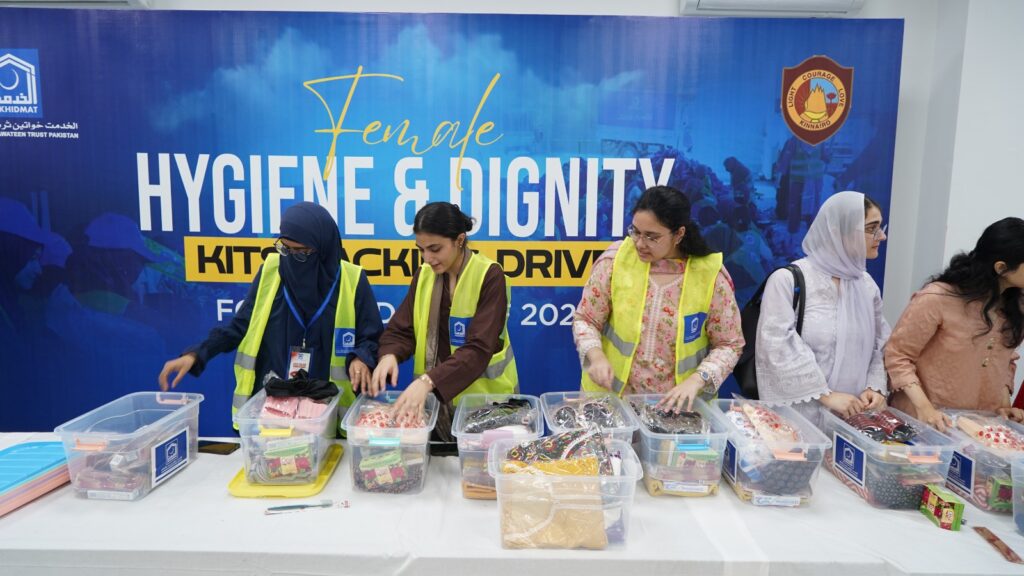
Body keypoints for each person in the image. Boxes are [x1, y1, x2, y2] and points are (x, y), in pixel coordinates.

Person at [158, 202, 383, 427]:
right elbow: (239, 326)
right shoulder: (271, 271)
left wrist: (361, 357)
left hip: (326, 412)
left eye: (301, 253)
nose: (291, 258)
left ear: (323, 250)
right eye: (285, 248)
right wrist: (197, 354)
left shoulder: (352, 280)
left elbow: (372, 337)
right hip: (273, 411)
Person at [574, 185, 744, 413]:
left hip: (679, 411)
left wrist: (698, 380)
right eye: (635, 232)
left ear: (679, 234)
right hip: (612, 405)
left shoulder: (710, 277)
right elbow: (586, 319)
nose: (639, 243)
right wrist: (595, 357)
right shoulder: (616, 262)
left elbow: (730, 344)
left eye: (651, 237)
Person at [368, 202, 517, 439]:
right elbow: (402, 329)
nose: (427, 258)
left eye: (435, 249)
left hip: (487, 409)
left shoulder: (490, 275)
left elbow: (479, 348)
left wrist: (428, 381)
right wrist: (389, 355)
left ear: (459, 240)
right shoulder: (424, 275)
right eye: (421, 250)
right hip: (437, 407)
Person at [755, 191, 890, 423]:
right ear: (839, 231)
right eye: (871, 228)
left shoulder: (866, 286)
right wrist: (826, 395)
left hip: (853, 420)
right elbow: (775, 346)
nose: (882, 236)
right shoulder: (789, 280)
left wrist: (874, 387)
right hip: (800, 419)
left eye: (880, 227)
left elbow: (880, 342)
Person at [885, 217, 1024, 430]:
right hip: (926, 426)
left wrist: (1004, 406)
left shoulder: (1016, 306)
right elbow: (897, 356)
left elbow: (1005, 360)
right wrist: (925, 408)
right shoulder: (937, 298)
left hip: (980, 429)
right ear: (1001, 268)